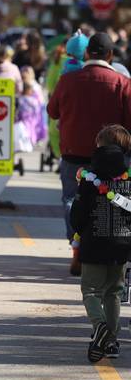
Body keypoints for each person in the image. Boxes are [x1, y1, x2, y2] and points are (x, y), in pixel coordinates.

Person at [47, 32, 131, 275]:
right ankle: (111, 251)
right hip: (113, 156)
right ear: (110, 55)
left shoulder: (68, 80)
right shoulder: (122, 84)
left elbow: (52, 111)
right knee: (114, 200)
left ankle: (77, 248)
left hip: (74, 153)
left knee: (72, 200)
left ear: (86, 54)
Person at [70, 125, 131, 363]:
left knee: (91, 290)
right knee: (114, 292)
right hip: (122, 244)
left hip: (94, 243)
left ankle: (100, 326)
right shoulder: (127, 177)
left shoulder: (89, 178)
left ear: (99, 144)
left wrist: (78, 232)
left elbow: (78, 216)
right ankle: (112, 342)